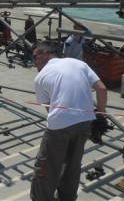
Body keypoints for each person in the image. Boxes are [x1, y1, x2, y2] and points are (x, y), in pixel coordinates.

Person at [30, 41, 108, 201]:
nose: (33, 61)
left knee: (46, 168)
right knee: (72, 167)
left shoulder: (40, 77)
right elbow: (101, 88)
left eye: (34, 56)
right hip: (85, 123)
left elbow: (49, 109)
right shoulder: (79, 63)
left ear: (44, 54)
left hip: (59, 127)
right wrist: (100, 116)